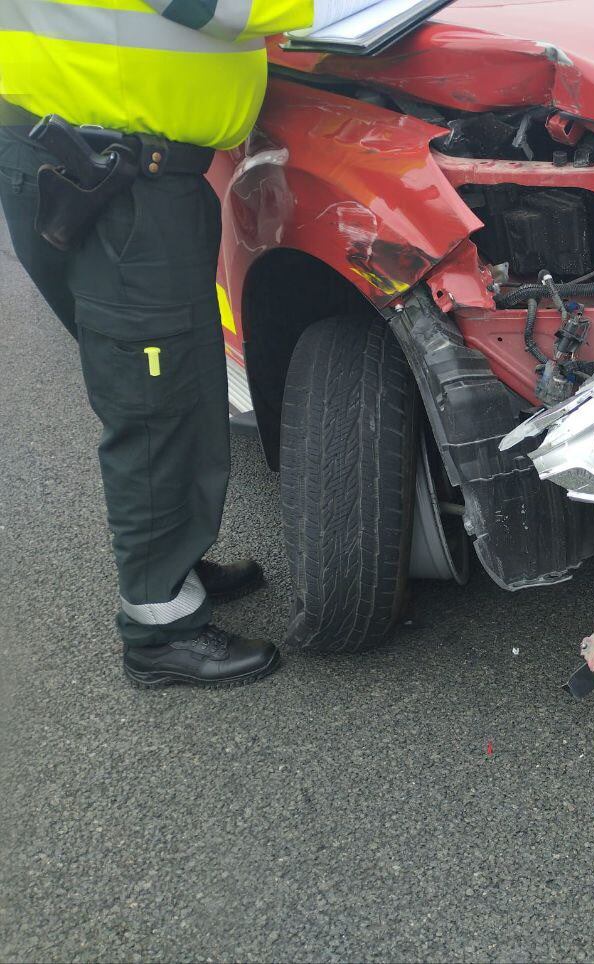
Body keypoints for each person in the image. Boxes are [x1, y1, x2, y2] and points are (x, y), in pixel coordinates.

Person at [0, 0, 386, 687]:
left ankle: (170, 564)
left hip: (77, 154)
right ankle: (160, 631)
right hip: (116, 177)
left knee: (164, 387)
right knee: (158, 404)